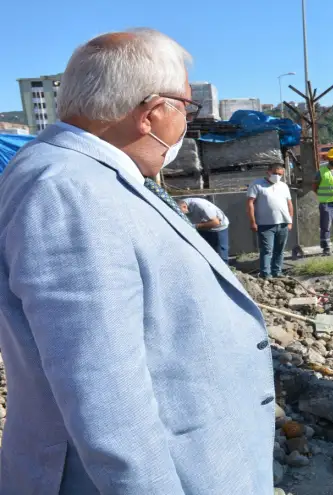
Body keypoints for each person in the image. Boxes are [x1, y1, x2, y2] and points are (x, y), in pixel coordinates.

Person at [0, 29, 274, 494]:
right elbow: (105, 397)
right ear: (150, 114)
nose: (187, 120)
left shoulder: (88, 176)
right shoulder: (69, 189)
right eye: (186, 107)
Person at [247, 163, 294, 277]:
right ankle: (265, 274)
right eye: (275, 173)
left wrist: (290, 221)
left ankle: (277, 272)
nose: (277, 176)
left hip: (282, 223)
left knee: (280, 250)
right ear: (268, 172)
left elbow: (289, 204)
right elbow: (250, 203)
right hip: (265, 224)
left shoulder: (283, 186)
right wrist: (253, 222)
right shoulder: (257, 185)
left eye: (280, 174)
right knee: (267, 251)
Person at [178, 196, 231, 263]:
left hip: (219, 227)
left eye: (182, 213)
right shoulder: (179, 205)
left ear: (184, 207)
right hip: (203, 227)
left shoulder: (199, 205)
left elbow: (216, 222)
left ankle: (224, 270)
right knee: (206, 251)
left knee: (222, 252)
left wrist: (196, 226)